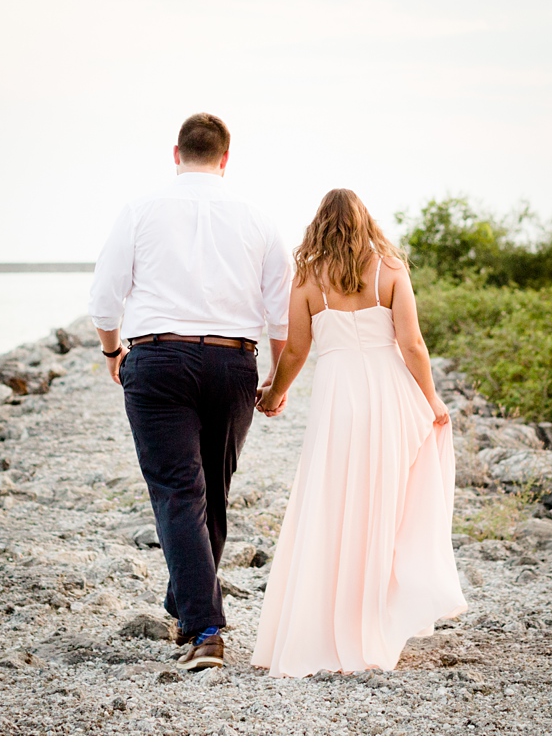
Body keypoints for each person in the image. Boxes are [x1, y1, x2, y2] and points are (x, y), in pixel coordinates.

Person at [88, 113, 290, 672]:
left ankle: (204, 627)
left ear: (175, 153)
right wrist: (276, 375)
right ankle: (190, 606)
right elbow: (282, 311)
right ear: (226, 159)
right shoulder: (258, 220)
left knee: (181, 491)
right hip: (233, 361)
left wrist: (111, 352)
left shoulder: (140, 210)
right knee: (211, 491)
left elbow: (105, 298)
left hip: (156, 359)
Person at [249, 188, 466, 676]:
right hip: (389, 395)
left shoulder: (307, 278)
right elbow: (410, 343)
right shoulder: (390, 269)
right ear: (366, 222)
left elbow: (297, 351)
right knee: (384, 505)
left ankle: (326, 626)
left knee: (331, 504)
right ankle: (375, 622)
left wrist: (274, 393)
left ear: (320, 225)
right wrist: (430, 398)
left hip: (337, 400)